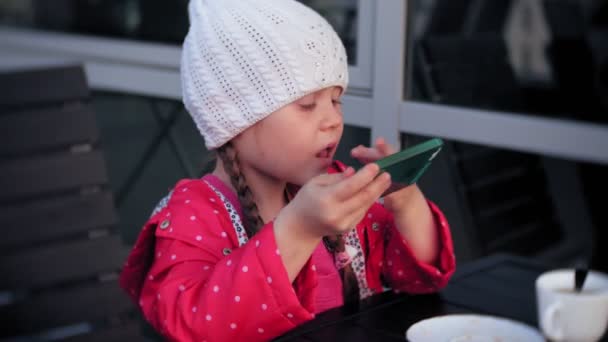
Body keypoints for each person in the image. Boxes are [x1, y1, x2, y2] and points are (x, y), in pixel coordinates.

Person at [119, 0, 456, 340]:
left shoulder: (333, 191)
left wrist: (406, 203)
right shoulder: (192, 218)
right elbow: (195, 328)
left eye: (336, 100)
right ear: (236, 119)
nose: (334, 120)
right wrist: (299, 228)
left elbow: (416, 278)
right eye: (307, 105)